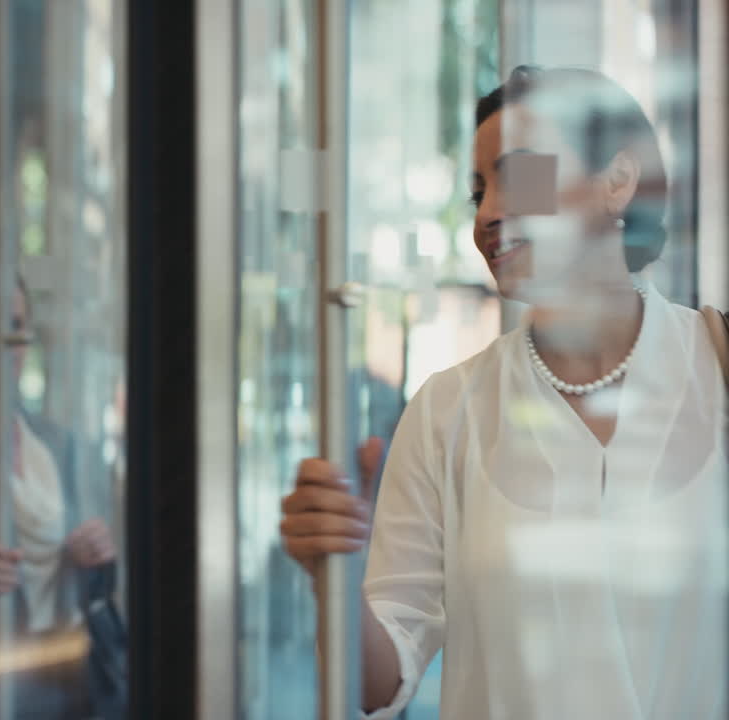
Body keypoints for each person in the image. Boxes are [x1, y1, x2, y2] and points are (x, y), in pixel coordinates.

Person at [281, 66, 727, 719]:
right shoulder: (445, 412)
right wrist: (334, 574)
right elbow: (378, 687)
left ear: (618, 182)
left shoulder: (715, 366)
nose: (488, 214)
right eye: (478, 193)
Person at [0, 278, 123, 720]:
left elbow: (98, 581)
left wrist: (96, 556)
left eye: (16, 325)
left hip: (71, 668)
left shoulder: (56, 442)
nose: (7, 341)